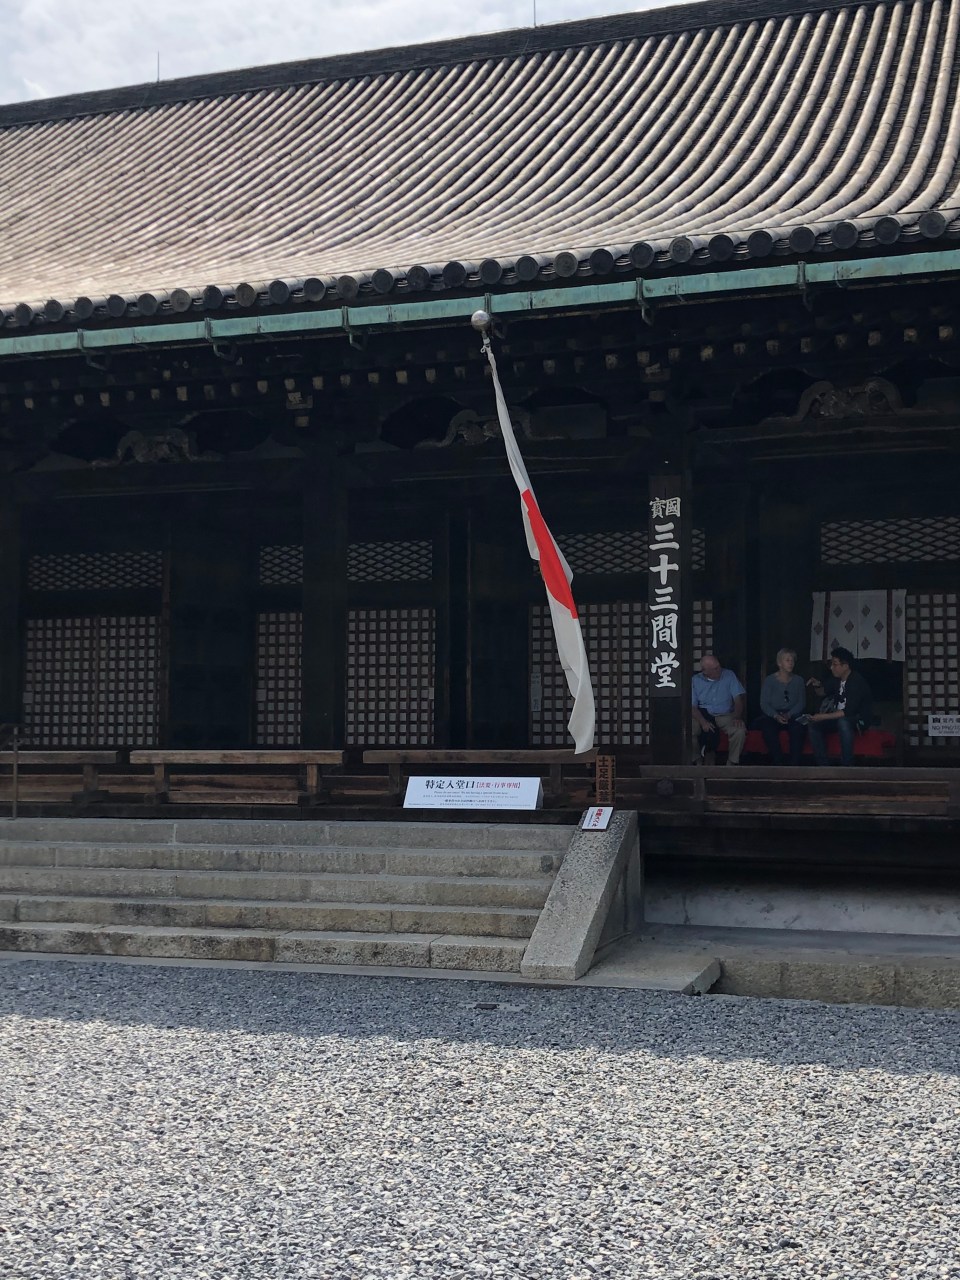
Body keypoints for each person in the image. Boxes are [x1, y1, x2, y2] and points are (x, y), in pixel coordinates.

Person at [804, 646, 873, 767]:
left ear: (845, 666)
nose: (831, 667)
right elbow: (822, 692)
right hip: (839, 718)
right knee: (814, 726)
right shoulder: (836, 680)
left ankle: (847, 765)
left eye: (835, 664)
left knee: (843, 722)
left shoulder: (856, 681)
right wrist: (816, 685)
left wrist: (822, 716)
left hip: (859, 720)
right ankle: (824, 765)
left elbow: (847, 712)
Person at [754, 647, 807, 765]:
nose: (790, 663)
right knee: (768, 728)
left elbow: (801, 702)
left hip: (793, 713)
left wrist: (789, 714)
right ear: (779, 663)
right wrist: (776, 715)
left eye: (792, 660)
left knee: (799, 728)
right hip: (773, 714)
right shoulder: (769, 681)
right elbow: (764, 703)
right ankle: (778, 761)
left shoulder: (799, 680)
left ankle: (795, 763)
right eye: (787, 660)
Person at [691, 653, 746, 766]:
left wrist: (737, 716)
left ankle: (731, 763)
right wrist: (703, 722)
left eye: (718, 666)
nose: (719, 669)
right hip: (703, 714)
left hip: (725, 714)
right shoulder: (695, 680)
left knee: (739, 731)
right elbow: (692, 706)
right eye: (715, 669)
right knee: (690, 730)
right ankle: (697, 760)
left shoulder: (729, 675)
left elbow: (738, 699)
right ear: (705, 671)